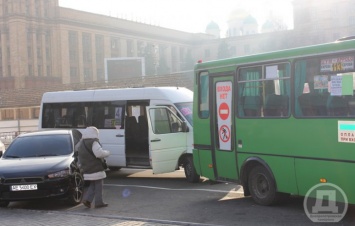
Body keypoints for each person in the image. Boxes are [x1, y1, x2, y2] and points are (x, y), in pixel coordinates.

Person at [76, 126, 110, 208]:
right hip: (96, 167)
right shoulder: (93, 142)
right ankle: (99, 202)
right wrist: (107, 153)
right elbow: (99, 153)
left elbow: (77, 152)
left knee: (93, 184)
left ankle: (87, 200)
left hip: (87, 167)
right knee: (99, 185)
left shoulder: (81, 143)